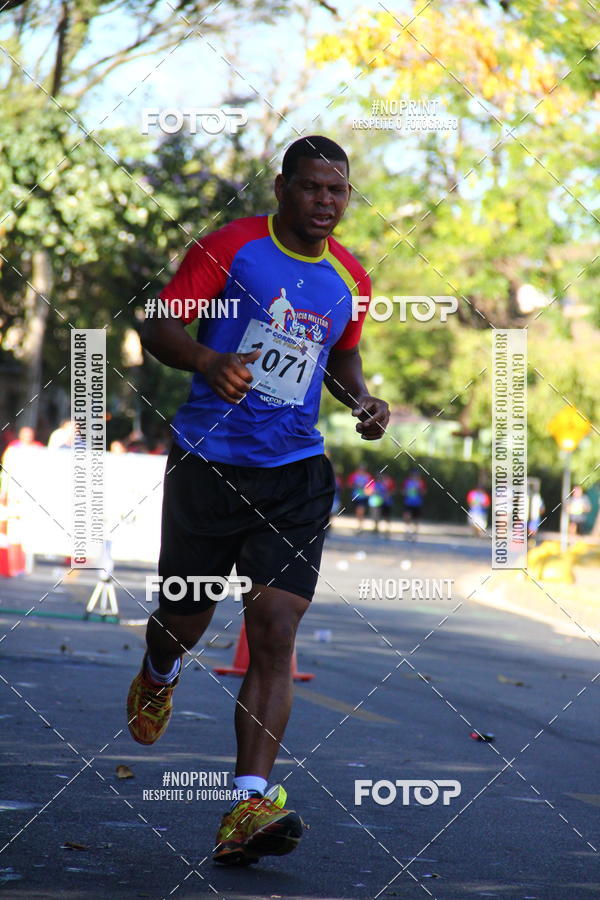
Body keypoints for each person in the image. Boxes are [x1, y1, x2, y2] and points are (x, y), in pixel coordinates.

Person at [127, 136, 389, 867]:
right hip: (209, 462)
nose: (326, 203)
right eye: (312, 188)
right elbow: (158, 324)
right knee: (183, 618)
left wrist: (363, 402)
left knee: (275, 626)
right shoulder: (228, 248)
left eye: (338, 191)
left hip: (295, 470)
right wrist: (209, 360)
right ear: (281, 188)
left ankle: (248, 802)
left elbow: (342, 358)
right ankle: (158, 671)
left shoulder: (351, 278)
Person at [401, 468, 426, 538]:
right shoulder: (407, 482)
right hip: (408, 502)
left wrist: (419, 490)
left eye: (416, 475)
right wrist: (405, 492)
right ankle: (407, 530)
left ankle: (415, 532)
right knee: (407, 516)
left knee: (416, 519)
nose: (414, 476)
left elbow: (424, 493)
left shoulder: (421, 482)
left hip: (417, 503)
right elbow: (403, 491)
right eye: (413, 475)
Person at [347, 463, 373, 533]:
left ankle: (360, 526)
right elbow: (349, 485)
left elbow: (371, 486)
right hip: (355, 496)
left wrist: (366, 488)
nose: (362, 470)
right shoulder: (354, 476)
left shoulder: (368, 476)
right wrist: (355, 485)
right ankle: (359, 525)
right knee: (357, 511)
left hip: (364, 496)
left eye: (363, 469)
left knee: (360, 510)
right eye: (361, 468)